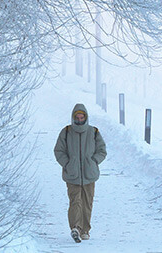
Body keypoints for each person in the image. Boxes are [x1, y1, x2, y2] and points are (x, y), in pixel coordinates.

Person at [53, 102, 107, 243]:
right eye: (77, 116)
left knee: (87, 202)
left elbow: (102, 150)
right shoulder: (66, 132)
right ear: (73, 117)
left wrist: (94, 161)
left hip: (90, 175)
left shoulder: (93, 132)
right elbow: (59, 151)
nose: (80, 119)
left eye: (82, 116)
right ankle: (75, 228)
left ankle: (85, 230)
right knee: (75, 201)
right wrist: (68, 164)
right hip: (72, 175)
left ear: (86, 117)